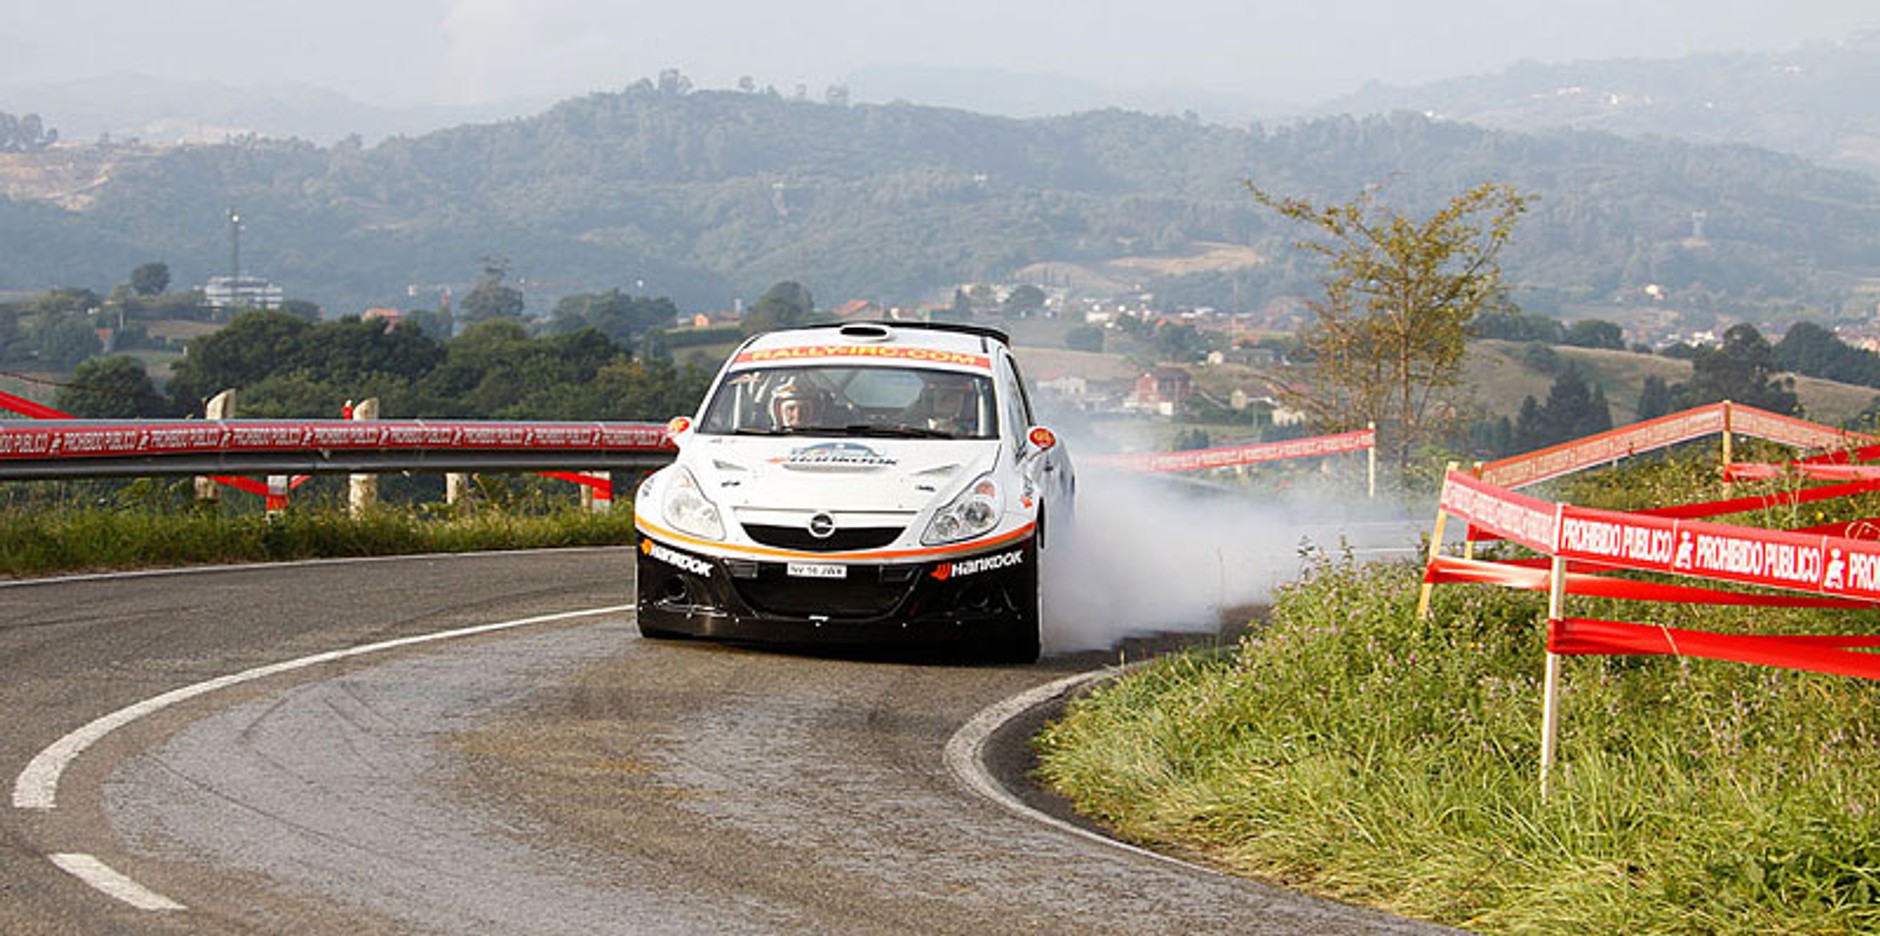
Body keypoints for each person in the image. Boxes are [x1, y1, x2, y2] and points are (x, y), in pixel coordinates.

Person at [914, 371, 979, 436]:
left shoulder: (976, 430)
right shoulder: (911, 425)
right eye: (944, 398)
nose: (949, 403)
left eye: (954, 398)